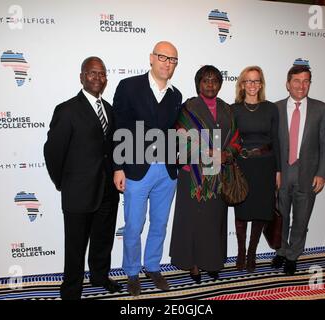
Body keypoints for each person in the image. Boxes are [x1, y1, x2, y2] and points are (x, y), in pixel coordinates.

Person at [44, 57, 121, 299]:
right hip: (78, 191)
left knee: (103, 240)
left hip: (107, 190)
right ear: (81, 77)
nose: (98, 78)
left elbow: (112, 147)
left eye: (102, 74)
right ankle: (71, 289)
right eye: (92, 73)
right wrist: (63, 183)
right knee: (76, 246)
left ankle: (99, 276)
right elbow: (53, 152)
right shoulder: (66, 110)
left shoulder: (109, 109)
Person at [112, 41, 182, 296]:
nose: (167, 63)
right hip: (136, 169)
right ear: (151, 58)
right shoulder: (129, 86)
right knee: (133, 225)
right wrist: (118, 167)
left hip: (167, 171)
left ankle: (152, 265)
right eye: (163, 57)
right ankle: (131, 271)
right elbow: (119, 127)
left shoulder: (176, 95)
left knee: (160, 223)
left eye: (173, 60)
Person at [169, 65, 240, 283]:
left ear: (220, 84)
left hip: (218, 176)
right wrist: (206, 152)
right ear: (198, 83)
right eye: (205, 80)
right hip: (193, 177)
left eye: (215, 80)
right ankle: (194, 264)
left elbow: (237, 140)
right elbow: (178, 140)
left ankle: (212, 261)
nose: (210, 84)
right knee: (193, 222)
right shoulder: (188, 108)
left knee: (214, 222)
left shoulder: (228, 110)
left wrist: (226, 155)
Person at [271, 64, 325, 276]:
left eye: (306, 81)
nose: (301, 85)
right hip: (282, 172)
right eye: (297, 81)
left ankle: (293, 255)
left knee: (301, 218)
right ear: (288, 84)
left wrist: (322, 173)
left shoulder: (322, 109)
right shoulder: (275, 108)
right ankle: (280, 251)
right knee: (281, 215)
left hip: (308, 174)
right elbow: (272, 144)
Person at [231, 66, 281, 273]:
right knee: (242, 210)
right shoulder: (233, 109)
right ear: (242, 84)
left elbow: (276, 140)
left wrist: (279, 170)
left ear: (261, 84)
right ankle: (241, 252)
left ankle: (252, 253)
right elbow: (229, 140)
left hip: (266, 165)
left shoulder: (271, 108)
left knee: (260, 211)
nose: (252, 85)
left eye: (256, 81)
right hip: (242, 165)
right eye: (248, 81)